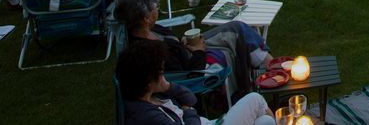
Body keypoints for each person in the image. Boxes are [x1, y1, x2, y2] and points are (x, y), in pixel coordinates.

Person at [115, 0, 267, 110]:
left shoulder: (149, 30)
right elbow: (187, 72)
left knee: (237, 28)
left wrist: (184, 42)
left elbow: (172, 41)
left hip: (189, 47)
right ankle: (269, 71)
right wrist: (199, 51)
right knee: (237, 33)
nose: (158, 10)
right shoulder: (150, 52)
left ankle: (266, 69)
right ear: (146, 19)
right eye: (156, 8)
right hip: (197, 64)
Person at [116, 39, 275, 125]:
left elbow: (191, 99)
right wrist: (189, 111)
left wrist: (169, 87)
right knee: (255, 99)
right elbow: (189, 105)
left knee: (265, 121)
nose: (163, 76)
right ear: (148, 82)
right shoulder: (149, 117)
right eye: (161, 72)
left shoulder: (152, 96)